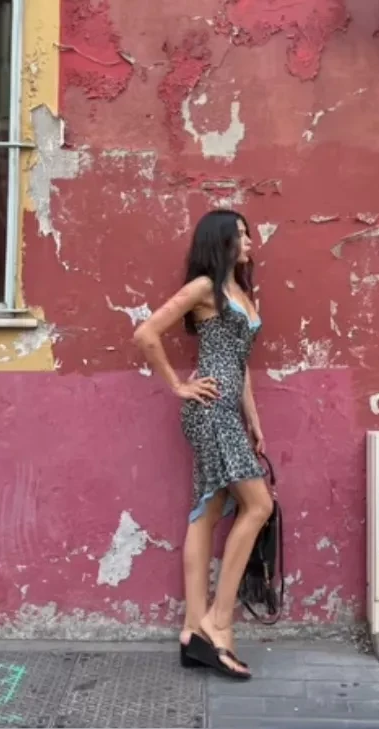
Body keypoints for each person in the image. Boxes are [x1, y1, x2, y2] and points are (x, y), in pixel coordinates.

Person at [133, 209, 273, 680]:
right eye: (240, 235)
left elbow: (240, 363)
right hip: (208, 410)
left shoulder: (240, 293)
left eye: (248, 233)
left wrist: (253, 420)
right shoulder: (203, 289)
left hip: (228, 412)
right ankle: (219, 623)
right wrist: (178, 385)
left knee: (207, 511)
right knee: (259, 505)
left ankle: (193, 632)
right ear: (220, 242)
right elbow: (146, 333)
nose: (249, 241)